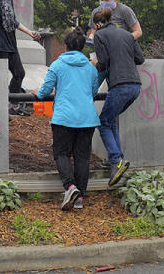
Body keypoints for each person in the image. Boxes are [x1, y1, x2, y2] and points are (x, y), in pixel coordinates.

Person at [36, 28, 100, 210]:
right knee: (82, 157)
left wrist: (37, 94)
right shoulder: (90, 68)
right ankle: (79, 197)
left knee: (61, 153)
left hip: (64, 118)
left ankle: (70, 187)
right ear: (82, 48)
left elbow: (45, 91)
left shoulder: (57, 65)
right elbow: (94, 91)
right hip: (87, 118)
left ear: (65, 46)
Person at [91, 7, 145, 186]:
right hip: (135, 86)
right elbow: (140, 59)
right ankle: (118, 160)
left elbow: (104, 63)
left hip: (119, 86)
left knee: (103, 122)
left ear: (98, 24)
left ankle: (116, 160)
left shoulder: (99, 35)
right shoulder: (126, 34)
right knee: (110, 120)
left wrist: (94, 63)